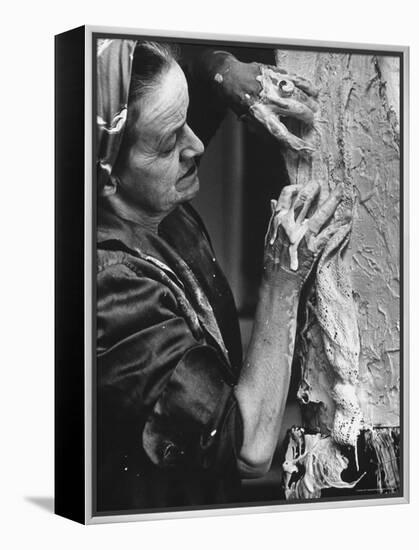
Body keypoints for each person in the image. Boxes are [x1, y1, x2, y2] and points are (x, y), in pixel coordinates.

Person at [96, 39, 344, 512]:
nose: (196, 144)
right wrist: (281, 280)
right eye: (170, 141)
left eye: (189, 118)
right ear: (108, 175)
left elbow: (180, 93)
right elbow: (249, 447)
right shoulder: (110, 291)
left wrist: (222, 72)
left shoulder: (150, 185)